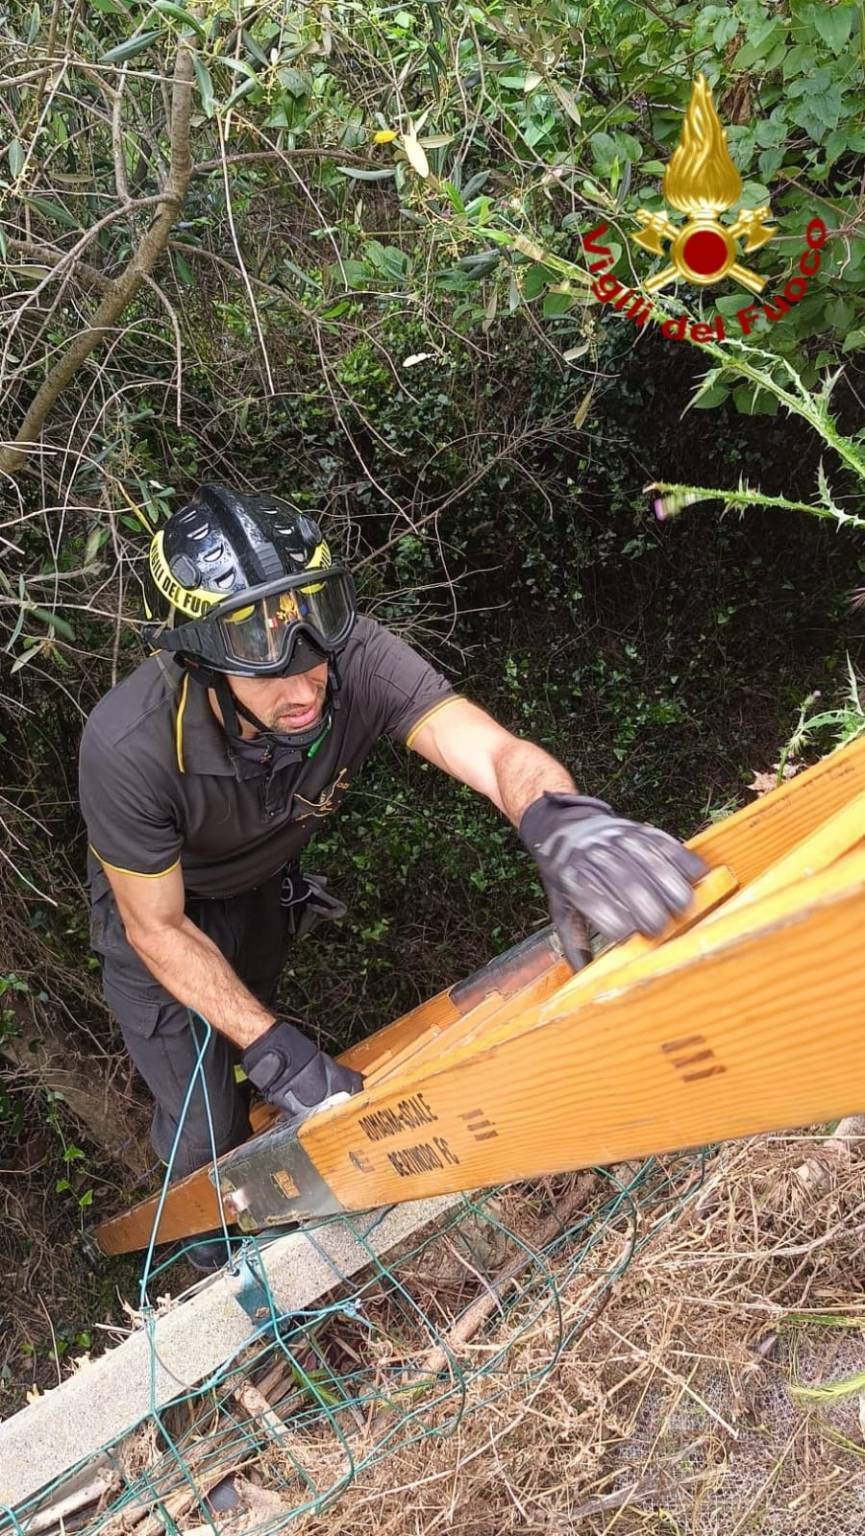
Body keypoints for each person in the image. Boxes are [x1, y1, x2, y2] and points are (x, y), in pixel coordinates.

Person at [79, 483, 705, 1267]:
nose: (305, 690)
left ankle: (252, 1101)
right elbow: (155, 927)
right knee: (208, 1116)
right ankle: (208, 1255)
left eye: (315, 663)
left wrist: (563, 821)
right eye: (271, 676)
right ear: (203, 663)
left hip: (259, 892)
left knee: (254, 1036)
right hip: (162, 918)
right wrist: (276, 1052)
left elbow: (489, 752)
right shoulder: (130, 747)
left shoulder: (360, 658)